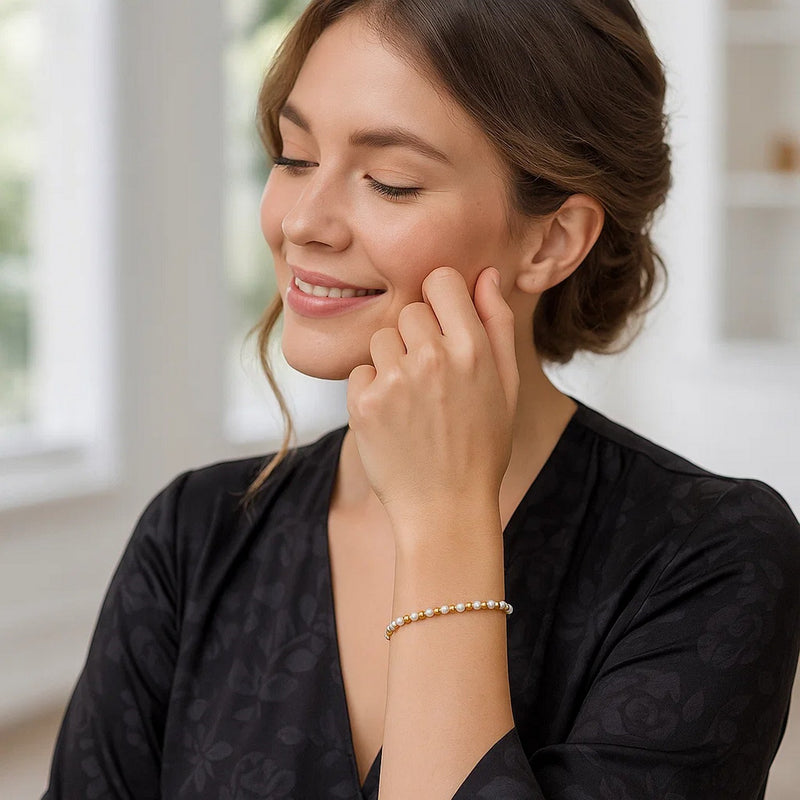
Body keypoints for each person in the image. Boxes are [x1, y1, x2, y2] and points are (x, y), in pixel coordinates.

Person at [44, 1, 800, 798]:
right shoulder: (194, 537)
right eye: (294, 157)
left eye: (390, 182)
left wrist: (444, 523)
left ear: (551, 241)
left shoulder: (712, 556)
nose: (302, 221)